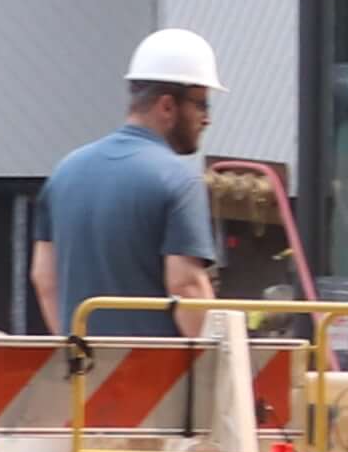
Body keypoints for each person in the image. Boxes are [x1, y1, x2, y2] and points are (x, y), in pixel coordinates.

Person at [33, 30, 225, 336]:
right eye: (201, 105)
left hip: (85, 376)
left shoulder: (64, 172)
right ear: (167, 106)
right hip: (156, 377)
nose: (207, 119)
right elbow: (186, 286)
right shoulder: (178, 179)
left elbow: (45, 279)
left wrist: (73, 350)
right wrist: (216, 365)